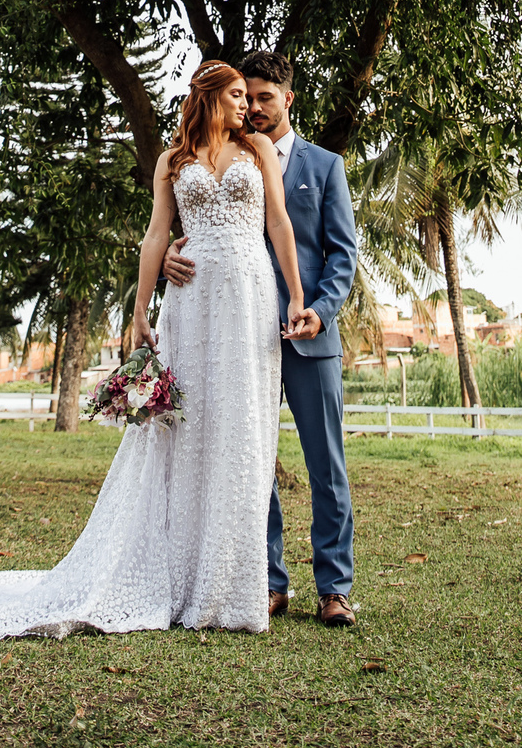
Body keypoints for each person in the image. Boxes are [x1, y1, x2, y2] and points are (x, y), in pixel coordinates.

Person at [0, 60, 316, 639]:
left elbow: (278, 225)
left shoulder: (258, 149)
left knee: (242, 431)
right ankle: (179, 576)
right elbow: (158, 233)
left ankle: (231, 586)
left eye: (250, 98)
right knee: (188, 429)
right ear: (208, 98)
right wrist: (139, 314)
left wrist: (296, 299)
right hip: (192, 300)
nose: (247, 106)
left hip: (251, 296)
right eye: (235, 96)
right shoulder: (171, 161)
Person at [162, 49, 358, 627]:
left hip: (306, 336)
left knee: (326, 464)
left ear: (288, 98)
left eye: (264, 98)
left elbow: (343, 255)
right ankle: (266, 580)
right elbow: (192, 222)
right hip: (236, 336)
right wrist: (178, 251)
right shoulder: (229, 155)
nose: (253, 109)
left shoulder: (324, 166)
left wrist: (319, 311)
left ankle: (334, 587)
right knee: (247, 458)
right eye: (244, 97)